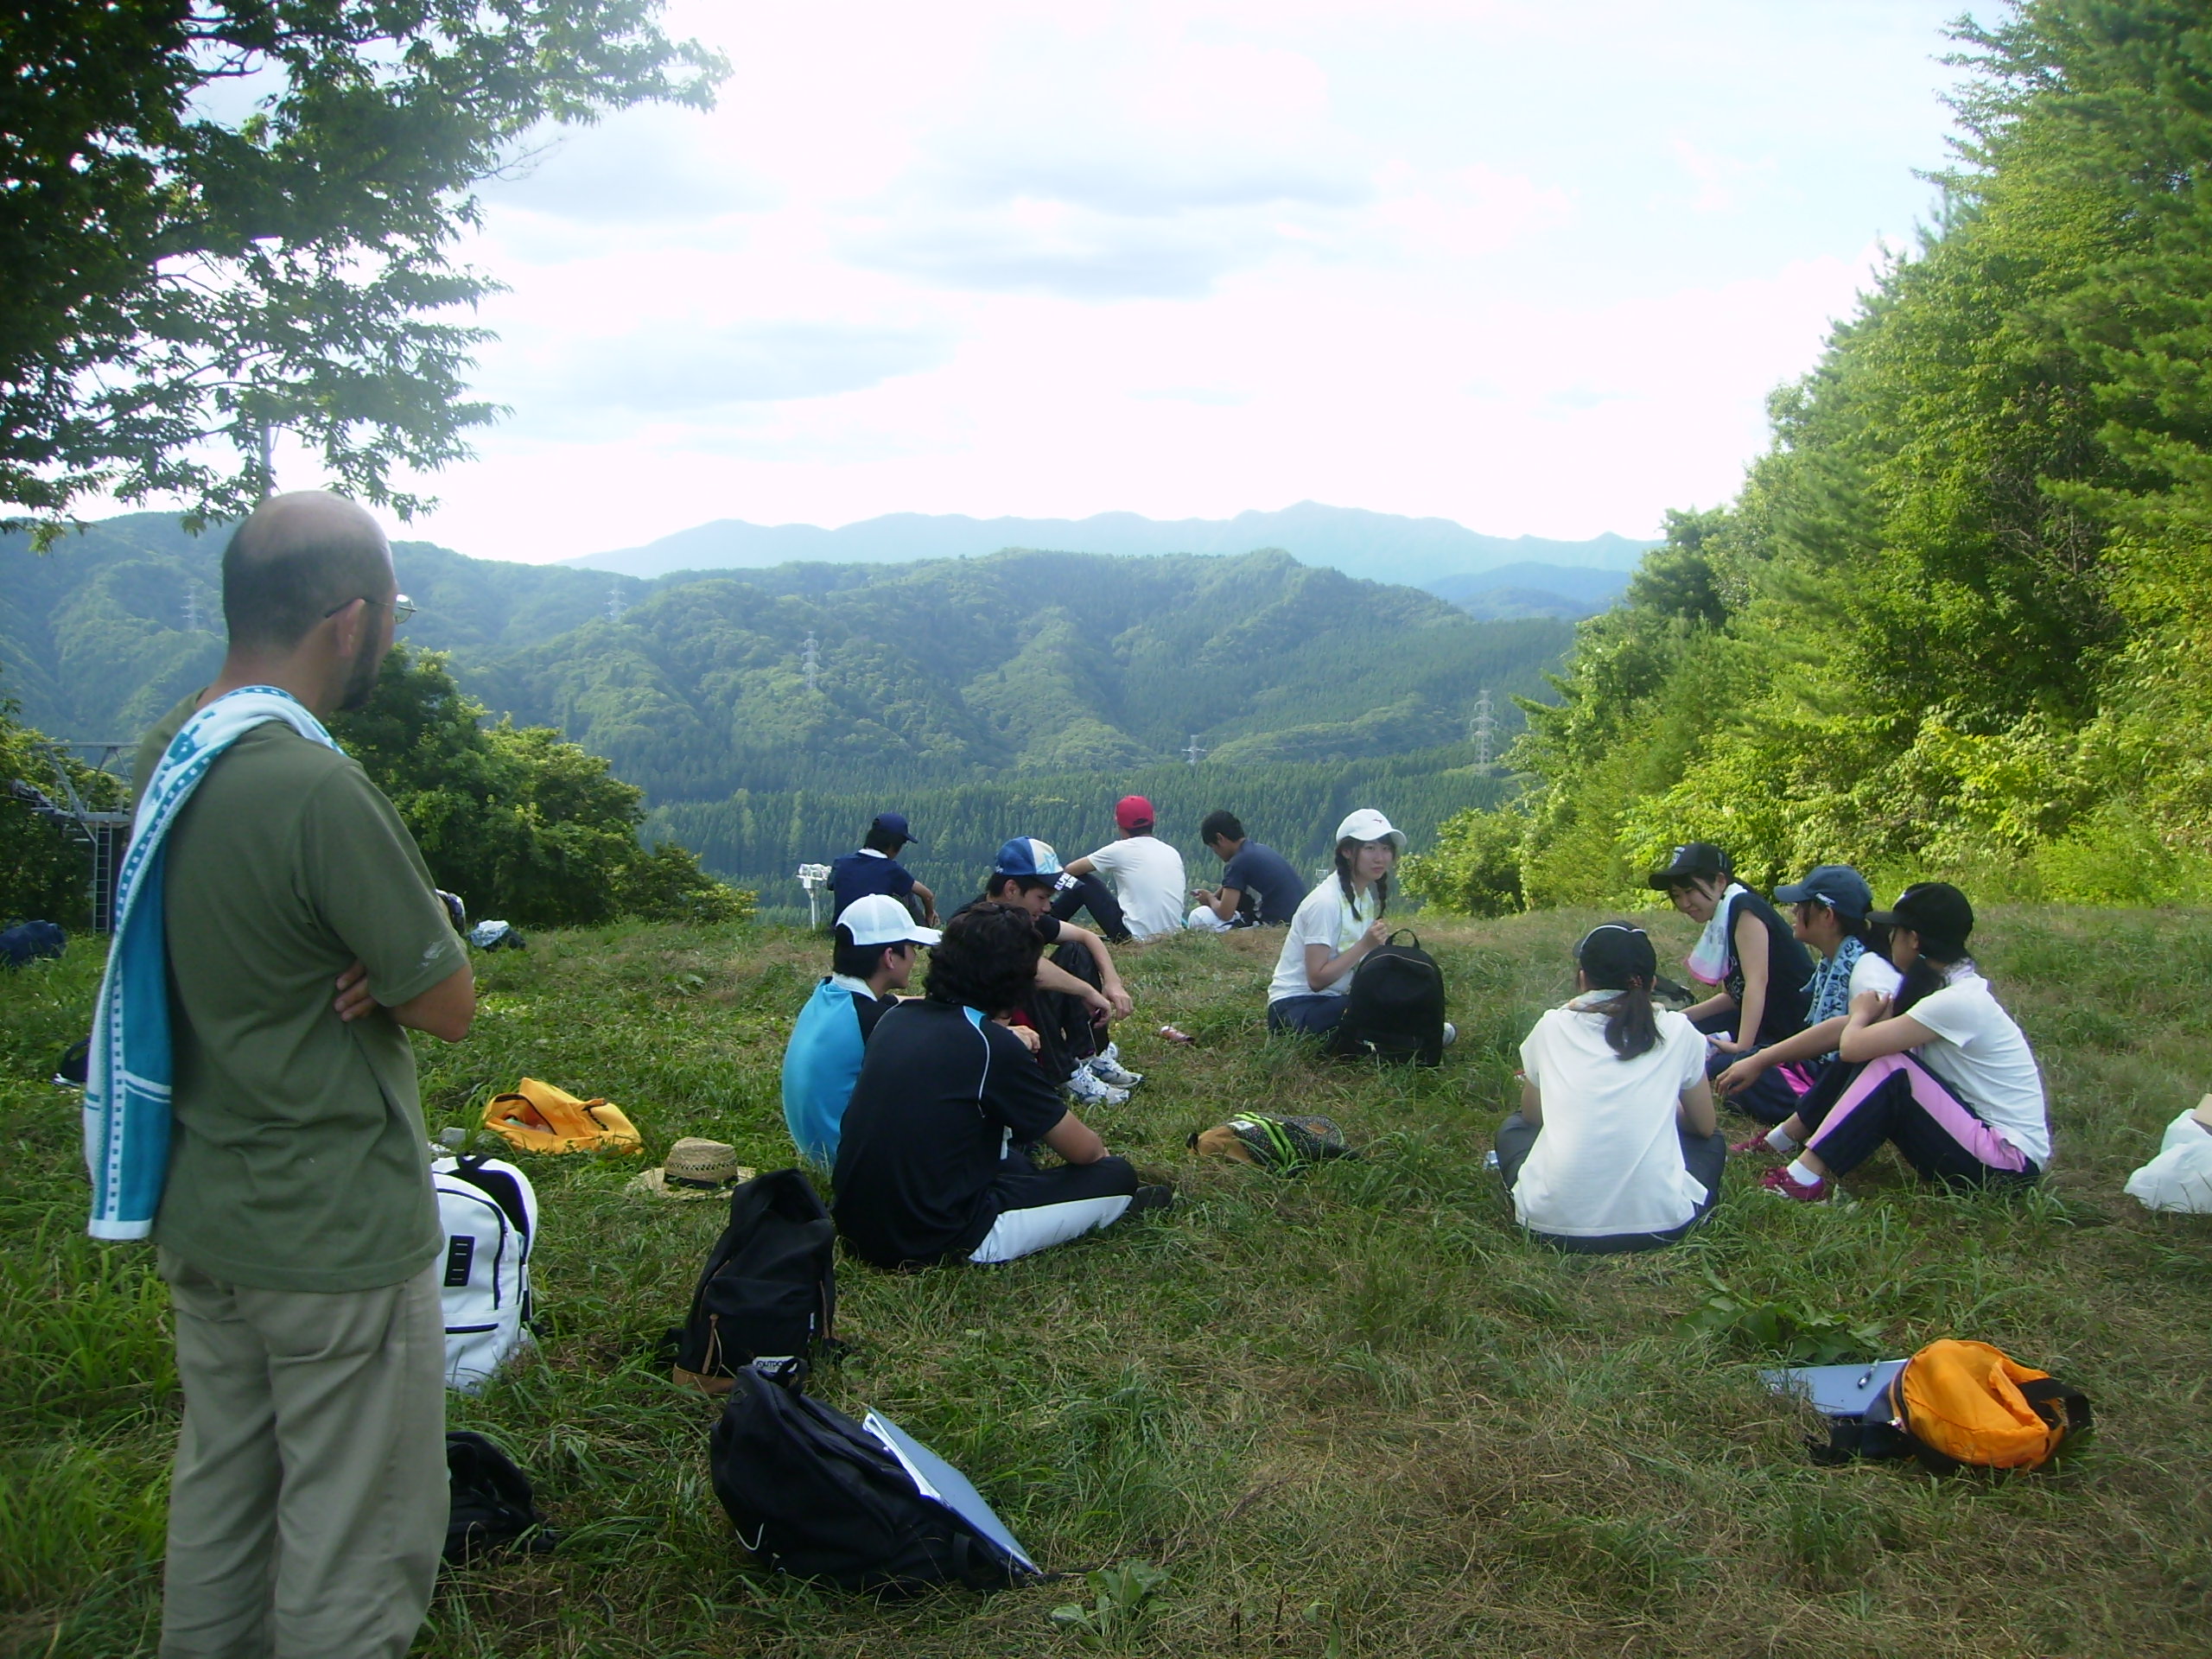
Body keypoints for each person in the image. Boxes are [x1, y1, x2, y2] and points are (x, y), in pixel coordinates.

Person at [111, 493, 474, 1659]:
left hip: (209, 1209)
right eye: (394, 615)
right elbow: (446, 1001)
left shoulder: (180, 755)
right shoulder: (311, 786)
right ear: (350, 619)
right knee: (355, 1542)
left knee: (226, 1497)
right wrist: (398, 948)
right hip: (328, 1230)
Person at [831, 904, 1172, 1268]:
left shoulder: (894, 1018)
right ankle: (1107, 1207)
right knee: (1115, 1175)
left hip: (854, 1223)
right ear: (1022, 981)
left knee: (1018, 1164)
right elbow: (1086, 1152)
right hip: (935, 1237)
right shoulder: (990, 1043)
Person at [1751, 882, 2050, 1203]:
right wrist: (1760, 1060)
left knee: (1892, 1066)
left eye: (1895, 931)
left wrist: (1859, 1014)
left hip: (2007, 1166)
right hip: (1978, 1144)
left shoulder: (1958, 1000)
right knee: (1876, 1047)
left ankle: (1801, 1179)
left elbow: (1852, 1045)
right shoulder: (1935, 987)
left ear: (1915, 939)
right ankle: (1781, 1139)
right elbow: (1848, 1033)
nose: (1889, 939)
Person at [1494, 923, 1724, 1252]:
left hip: (1548, 1225)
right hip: (1664, 1223)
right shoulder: (1678, 1029)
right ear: (1654, 984)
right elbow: (1704, 1126)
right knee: (1711, 1141)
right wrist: (1661, 1108)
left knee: (1513, 1127)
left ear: (1582, 978)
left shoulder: (1552, 1026)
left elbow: (1533, 1116)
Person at [1713, 864, 1903, 1146]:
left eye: (1801, 905)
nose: (1793, 912)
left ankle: (1814, 1113)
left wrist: (1761, 1060)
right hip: (1824, 1069)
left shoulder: (1869, 972)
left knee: (1746, 1076)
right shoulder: (1837, 960)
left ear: (1826, 915)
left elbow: (1868, 1036)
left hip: (1845, 1085)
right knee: (1738, 1066)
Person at [1648, 842, 1815, 1124]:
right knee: (1677, 1032)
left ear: (1720, 880)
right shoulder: (1725, 913)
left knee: (1727, 1066)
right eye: (1677, 895)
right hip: (1759, 1018)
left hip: (1790, 1029)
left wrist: (1744, 1050)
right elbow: (1733, 995)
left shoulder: (1744, 908)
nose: (1684, 903)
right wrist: (1676, 1017)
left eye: (1690, 891)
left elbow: (1756, 983)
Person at [971, 837, 1142, 1105]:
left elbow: (1088, 937)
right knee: (1025, 978)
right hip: (993, 1027)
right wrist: (1088, 991)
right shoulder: (976, 922)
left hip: (1020, 1020)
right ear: (1012, 889)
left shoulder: (1023, 916)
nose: (1048, 907)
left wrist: (1112, 982)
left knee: (1076, 950)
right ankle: (1066, 1072)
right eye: (1041, 897)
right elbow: (1031, 969)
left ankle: (1088, 1054)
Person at [780, 893, 938, 1167]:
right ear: (890, 957)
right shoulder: (876, 1021)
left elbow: (898, 1004)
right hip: (847, 1164)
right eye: (913, 947)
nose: (914, 957)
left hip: (817, 1149)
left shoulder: (831, 992)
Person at [1266, 808, 1402, 1037]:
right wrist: (1365, 945)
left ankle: (1414, 1032)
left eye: (1386, 848)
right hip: (1294, 1009)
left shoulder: (1363, 898)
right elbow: (1316, 980)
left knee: (1387, 998)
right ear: (1348, 851)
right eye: (1370, 848)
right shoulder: (1326, 903)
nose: (1380, 857)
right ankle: (1417, 1035)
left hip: (1332, 1002)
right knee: (1372, 1010)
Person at [1054, 794, 1187, 942]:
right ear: (1153, 821)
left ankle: (1044, 926)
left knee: (1083, 882)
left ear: (1120, 826)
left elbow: (1071, 870)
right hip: (1171, 937)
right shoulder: (1171, 851)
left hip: (1131, 936)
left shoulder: (1120, 849)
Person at [1186, 810, 1303, 931]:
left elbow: (1225, 914)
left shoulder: (1237, 863)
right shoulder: (1258, 850)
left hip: (1271, 926)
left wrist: (1210, 898)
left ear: (1220, 838)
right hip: (1295, 922)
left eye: (1213, 847)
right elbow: (1231, 887)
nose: (1215, 853)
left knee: (1198, 917)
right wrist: (1213, 897)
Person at [830, 811, 938, 925]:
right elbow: (927, 895)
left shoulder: (840, 862)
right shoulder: (891, 870)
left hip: (842, 930)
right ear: (893, 845)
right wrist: (929, 914)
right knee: (906, 890)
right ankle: (922, 931)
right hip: (875, 932)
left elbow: (831, 885)